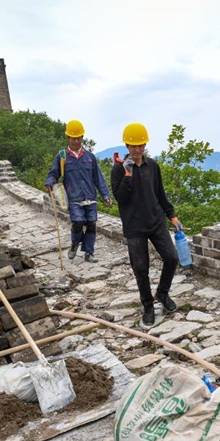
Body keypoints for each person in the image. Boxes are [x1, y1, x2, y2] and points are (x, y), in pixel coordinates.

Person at [111, 122, 181, 328]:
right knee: (141, 268)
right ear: (126, 146)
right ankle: (148, 306)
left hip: (156, 221)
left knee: (171, 257)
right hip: (134, 227)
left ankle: (162, 293)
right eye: (133, 146)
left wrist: (172, 216)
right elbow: (120, 198)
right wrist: (128, 175)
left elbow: (160, 193)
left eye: (140, 145)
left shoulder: (153, 166)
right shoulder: (118, 169)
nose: (137, 149)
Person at [45, 120, 112, 263]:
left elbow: (98, 178)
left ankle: (89, 253)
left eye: (78, 137)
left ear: (82, 137)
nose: (76, 141)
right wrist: (49, 182)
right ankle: (75, 243)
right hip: (74, 198)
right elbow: (53, 174)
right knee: (78, 222)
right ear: (68, 137)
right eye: (73, 137)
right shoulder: (62, 157)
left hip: (90, 197)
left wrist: (105, 195)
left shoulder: (90, 157)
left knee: (92, 224)